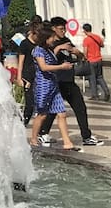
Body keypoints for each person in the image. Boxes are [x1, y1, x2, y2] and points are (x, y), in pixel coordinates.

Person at [38, 18, 102, 147]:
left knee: (80, 107)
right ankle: (42, 133)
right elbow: (47, 60)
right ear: (53, 29)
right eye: (61, 29)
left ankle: (86, 136)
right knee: (52, 110)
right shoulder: (48, 44)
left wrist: (77, 53)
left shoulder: (66, 41)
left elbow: (81, 56)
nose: (63, 31)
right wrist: (59, 48)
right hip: (56, 82)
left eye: (64, 29)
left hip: (68, 80)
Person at [29, 23, 80, 151]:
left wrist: (61, 50)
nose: (54, 39)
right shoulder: (38, 50)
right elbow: (44, 67)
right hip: (43, 86)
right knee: (42, 115)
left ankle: (67, 142)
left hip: (53, 84)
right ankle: (34, 139)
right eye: (52, 37)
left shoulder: (48, 50)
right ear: (46, 39)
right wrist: (61, 67)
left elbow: (52, 58)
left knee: (62, 113)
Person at [16, 19, 41, 125]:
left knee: (41, 103)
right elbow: (20, 62)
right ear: (33, 33)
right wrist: (19, 77)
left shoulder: (40, 43)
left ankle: (41, 131)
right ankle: (23, 124)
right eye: (38, 36)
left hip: (39, 75)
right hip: (27, 76)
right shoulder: (25, 44)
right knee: (29, 103)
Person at [81, 24, 111, 102]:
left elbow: (85, 51)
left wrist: (84, 59)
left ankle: (95, 95)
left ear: (84, 30)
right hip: (99, 59)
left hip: (91, 60)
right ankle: (106, 91)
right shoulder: (97, 37)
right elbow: (102, 45)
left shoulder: (86, 40)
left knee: (92, 78)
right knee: (100, 77)